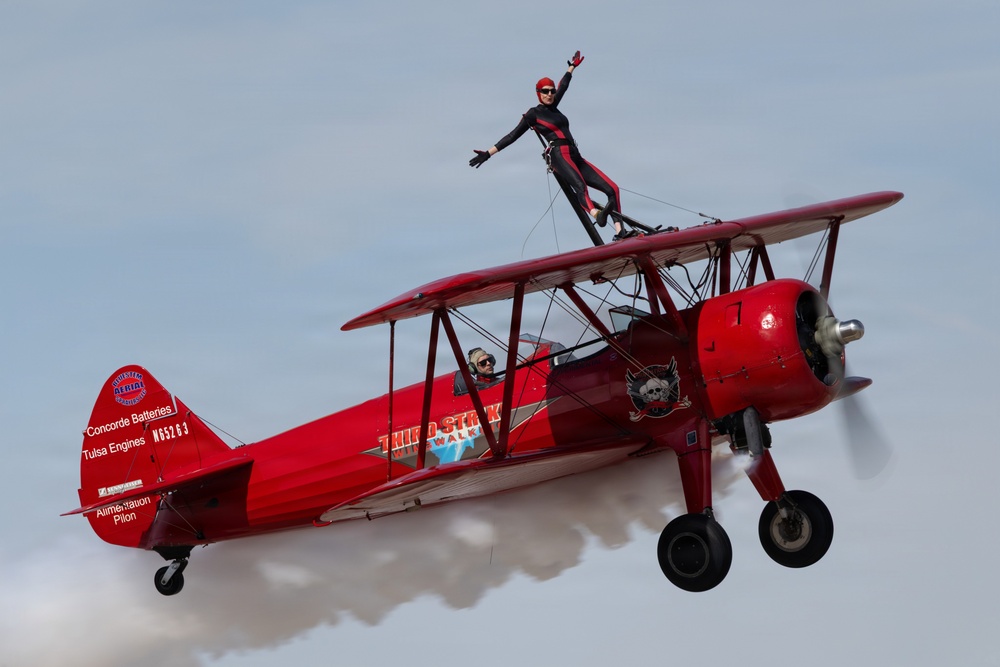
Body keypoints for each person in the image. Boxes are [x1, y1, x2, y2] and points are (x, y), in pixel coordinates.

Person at [469, 51, 629, 240]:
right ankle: (597, 215)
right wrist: (488, 153)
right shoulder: (533, 114)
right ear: (538, 93)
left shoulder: (554, 106)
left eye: (552, 91)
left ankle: (620, 232)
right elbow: (512, 136)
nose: (550, 94)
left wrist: (571, 67)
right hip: (559, 154)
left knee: (613, 189)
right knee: (580, 186)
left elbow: (564, 85)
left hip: (575, 154)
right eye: (545, 91)